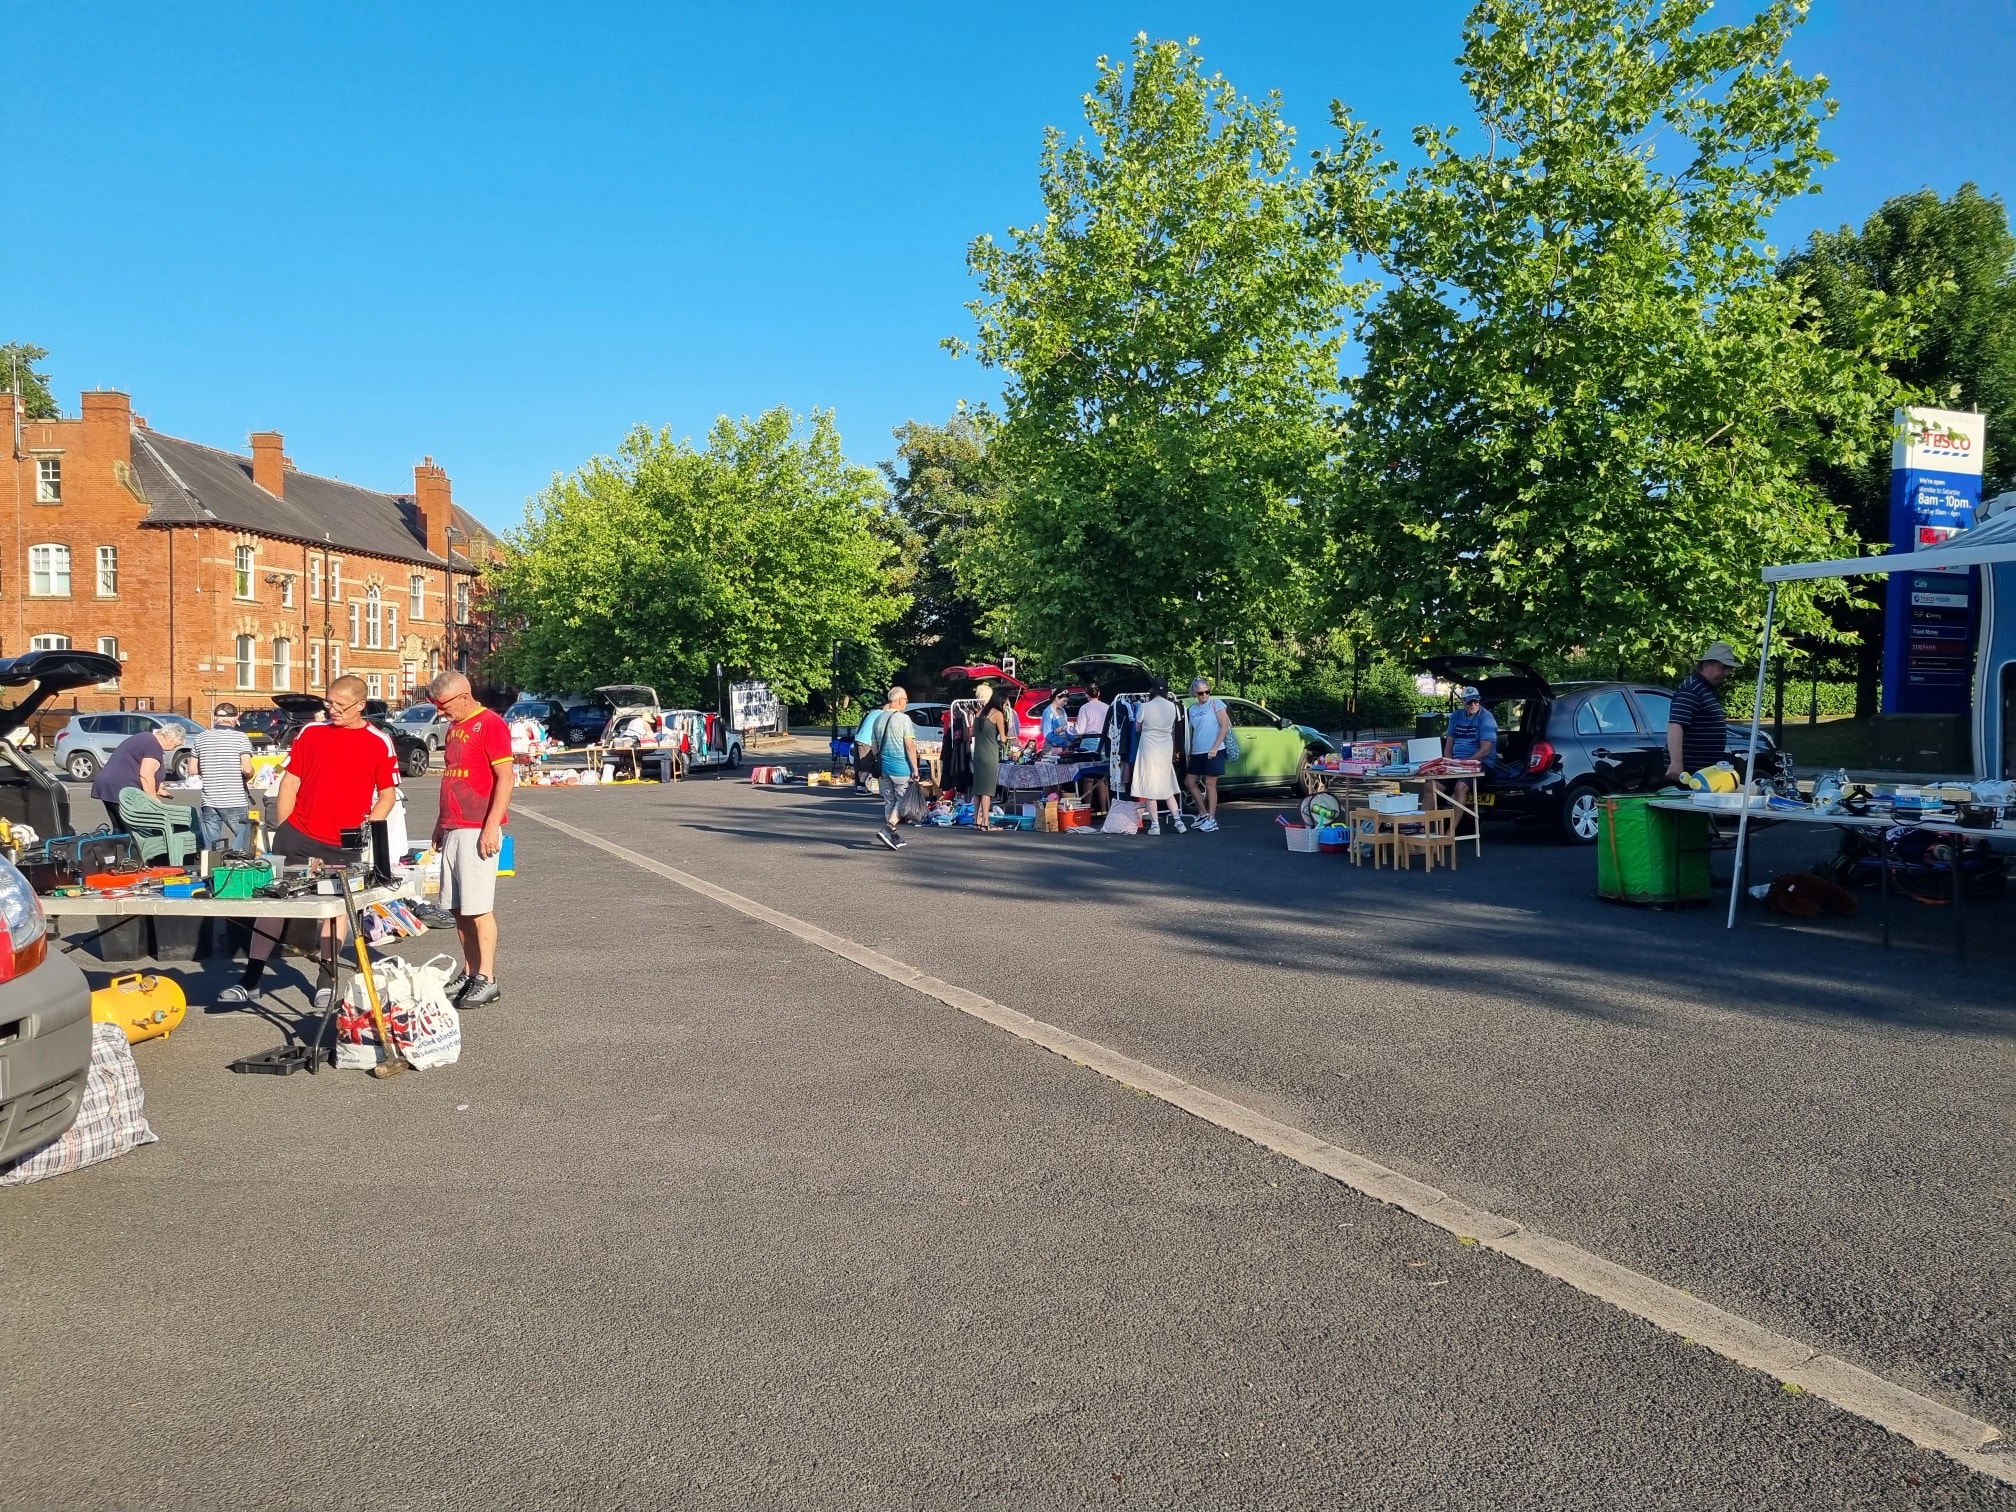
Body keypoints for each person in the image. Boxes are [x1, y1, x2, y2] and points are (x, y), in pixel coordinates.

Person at [217, 676, 397, 1009]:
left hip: (343, 840)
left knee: (332, 911)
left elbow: (387, 795)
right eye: (328, 702)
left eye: (340, 705)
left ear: (360, 705)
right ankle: (252, 977)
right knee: (275, 903)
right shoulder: (311, 733)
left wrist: (368, 825)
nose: (332, 709)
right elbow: (291, 780)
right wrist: (285, 826)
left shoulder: (378, 741)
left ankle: (327, 978)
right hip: (297, 833)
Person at [428, 671, 513, 1008]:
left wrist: (491, 826)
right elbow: (451, 777)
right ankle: (469, 969)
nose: (440, 711)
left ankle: (487, 978)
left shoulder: (489, 724)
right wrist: (440, 823)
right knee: (459, 909)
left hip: (478, 828)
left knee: (479, 909)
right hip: (454, 827)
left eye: (444, 704)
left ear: (464, 696)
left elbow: (505, 777)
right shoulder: (454, 727)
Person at [90, 720, 186, 830]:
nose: (174, 749)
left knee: (120, 827)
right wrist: (153, 800)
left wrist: (158, 789)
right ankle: (129, 846)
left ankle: (121, 845)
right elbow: (146, 775)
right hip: (120, 788)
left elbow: (138, 766)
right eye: (175, 745)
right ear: (170, 737)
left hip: (109, 785)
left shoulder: (146, 738)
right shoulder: (153, 745)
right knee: (132, 829)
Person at [1666, 642, 1739, 782]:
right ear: (1706, 665)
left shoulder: (1704, 688)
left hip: (1701, 773)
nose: (1727, 673)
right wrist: (1676, 763)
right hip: (1688, 774)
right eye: (1723, 667)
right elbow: (1676, 725)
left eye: (1729, 668)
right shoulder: (1692, 689)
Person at [189, 703, 255, 851]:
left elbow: (192, 769)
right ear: (236, 718)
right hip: (234, 798)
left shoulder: (201, 737)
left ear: (215, 718)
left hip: (210, 800)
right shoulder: (240, 737)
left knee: (213, 849)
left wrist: (210, 769)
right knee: (246, 842)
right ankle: (239, 869)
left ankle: (213, 870)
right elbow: (247, 769)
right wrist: (250, 775)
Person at [1130, 680, 1184, 835]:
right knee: (1166, 785)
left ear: (1151, 691)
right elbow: (1173, 729)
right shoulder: (1172, 707)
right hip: (1166, 746)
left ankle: (1155, 825)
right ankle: (1178, 822)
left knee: (1150, 786)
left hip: (1149, 746)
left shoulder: (1144, 706)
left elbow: (1138, 727)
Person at [1440, 685, 1498, 824]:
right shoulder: (1456, 716)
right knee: (1431, 786)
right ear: (1463, 702)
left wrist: (1464, 765)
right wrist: (1449, 763)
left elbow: (1485, 750)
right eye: (1469, 702)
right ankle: (1424, 833)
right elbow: (1448, 745)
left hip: (1480, 763)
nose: (1473, 704)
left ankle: (1450, 835)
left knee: (1460, 787)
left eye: (1475, 701)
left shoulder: (1486, 718)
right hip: (1457, 764)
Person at [871, 686, 920, 850]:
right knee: (902, 800)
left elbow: (874, 746)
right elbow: (909, 746)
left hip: (883, 766)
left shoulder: (878, 719)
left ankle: (892, 836)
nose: (906, 702)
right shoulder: (903, 719)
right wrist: (915, 769)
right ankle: (888, 828)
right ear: (899, 700)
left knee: (889, 800)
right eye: (906, 699)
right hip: (901, 767)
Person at [1182, 677, 1229, 832]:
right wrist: (1189, 752)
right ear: (1195, 693)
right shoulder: (1192, 709)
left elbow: (1224, 726)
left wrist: (1215, 747)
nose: (1204, 695)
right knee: (1189, 781)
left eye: (1206, 692)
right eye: (1200, 693)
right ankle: (1202, 813)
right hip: (1197, 750)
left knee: (1210, 783)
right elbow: (1192, 731)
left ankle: (1212, 818)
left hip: (1213, 749)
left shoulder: (1216, 704)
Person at [973, 685, 1015, 831]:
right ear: (1000, 702)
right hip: (990, 754)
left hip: (977, 754)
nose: (1005, 706)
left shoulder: (979, 713)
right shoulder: (997, 714)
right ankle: (985, 821)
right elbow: (1003, 739)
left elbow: (971, 734)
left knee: (977, 788)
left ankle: (976, 820)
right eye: (1004, 703)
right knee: (987, 790)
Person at [1073, 682, 1111, 817]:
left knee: (1088, 777)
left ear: (1086, 694)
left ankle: (1086, 810)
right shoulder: (1107, 707)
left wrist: (1068, 729)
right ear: (1099, 693)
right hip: (1104, 742)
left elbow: (1079, 730)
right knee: (1102, 778)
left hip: (1088, 742)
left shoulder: (1084, 708)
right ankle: (1105, 809)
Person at [852, 699, 886, 793]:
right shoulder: (881, 715)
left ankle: (859, 785)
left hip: (858, 739)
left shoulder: (872, 713)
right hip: (867, 741)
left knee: (860, 765)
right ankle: (861, 786)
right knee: (867, 765)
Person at [1040, 688, 1075, 756]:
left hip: (1063, 748)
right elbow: (1048, 734)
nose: (1066, 703)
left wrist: (1073, 739)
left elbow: (1065, 729)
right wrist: (1065, 743)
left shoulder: (1062, 711)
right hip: (1051, 750)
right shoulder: (1047, 712)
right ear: (1057, 698)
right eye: (1064, 701)